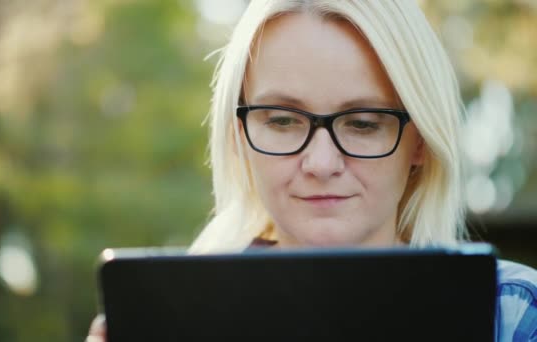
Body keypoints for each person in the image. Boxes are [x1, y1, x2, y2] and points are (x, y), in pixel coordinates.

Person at [87, 1, 537, 341]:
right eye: (282, 120)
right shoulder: (175, 320)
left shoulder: (516, 316)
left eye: (362, 123)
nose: (321, 164)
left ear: (419, 141)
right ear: (238, 136)